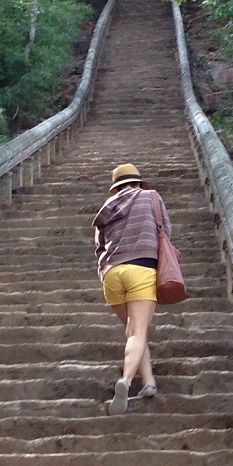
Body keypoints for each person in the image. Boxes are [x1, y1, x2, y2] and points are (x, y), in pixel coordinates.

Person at [93, 163, 170, 415]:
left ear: (116, 187)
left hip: (112, 274)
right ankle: (125, 381)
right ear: (138, 183)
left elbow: (99, 246)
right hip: (141, 268)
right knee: (138, 330)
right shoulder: (151, 197)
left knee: (135, 330)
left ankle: (149, 383)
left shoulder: (106, 208)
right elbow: (166, 233)